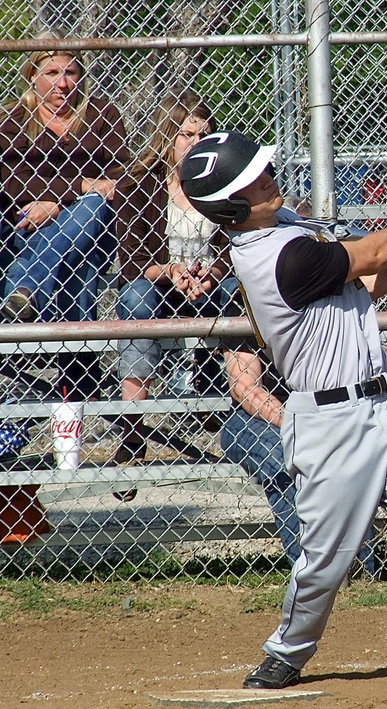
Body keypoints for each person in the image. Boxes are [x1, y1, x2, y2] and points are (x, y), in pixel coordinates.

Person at [180, 130, 387, 702]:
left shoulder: (289, 231)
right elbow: (373, 252)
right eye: (253, 181)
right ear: (231, 207)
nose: (269, 177)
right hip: (330, 422)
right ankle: (288, 649)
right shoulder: (274, 255)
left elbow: (361, 285)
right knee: (327, 560)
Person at [114, 92, 239, 466]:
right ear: (167, 137)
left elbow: (236, 249)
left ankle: (238, 391)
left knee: (237, 289)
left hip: (210, 284)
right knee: (135, 296)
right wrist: (171, 271)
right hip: (159, 287)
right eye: (186, 135)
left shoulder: (225, 184)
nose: (195, 144)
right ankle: (133, 428)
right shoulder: (137, 186)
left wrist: (213, 274)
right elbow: (133, 262)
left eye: (204, 136)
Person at [0, 44, 129, 398]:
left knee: (89, 211)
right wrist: (81, 184)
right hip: (25, 229)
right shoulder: (11, 119)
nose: (62, 84)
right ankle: (80, 368)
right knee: (78, 258)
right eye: (52, 73)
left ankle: (24, 293)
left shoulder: (102, 116)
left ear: (81, 77)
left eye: (70, 73)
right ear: (32, 77)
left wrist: (59, 200)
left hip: (87, 226)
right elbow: (10, 177)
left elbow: (118, 179)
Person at [220, 342, 376, 572]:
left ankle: (362, 568)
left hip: (318, 414)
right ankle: (310, 568)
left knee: (344, 454)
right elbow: (246, 390)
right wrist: (296, 424)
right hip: (252, 419)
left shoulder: (321, 314)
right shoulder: (247, 311)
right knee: (284, 459)